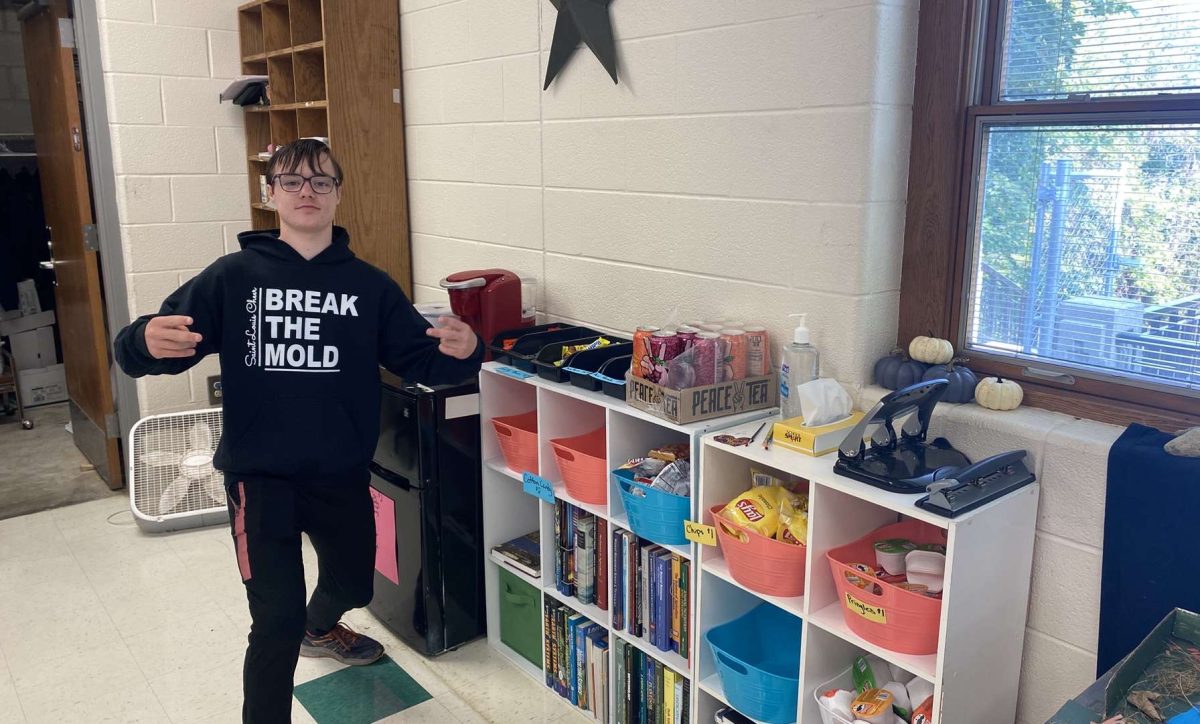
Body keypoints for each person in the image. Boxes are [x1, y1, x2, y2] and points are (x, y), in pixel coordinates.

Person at [113, 139, 482, 724]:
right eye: (291, 181)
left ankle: (321, 625)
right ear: (270, 195)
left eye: (320, 181)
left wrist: (468, 351)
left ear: (337, 195)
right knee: (274, 622)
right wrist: (140, 341)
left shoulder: (370, 285)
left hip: (339, 474)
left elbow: (425, 361)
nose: (306, 191)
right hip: (259, 480)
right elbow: (153, 347)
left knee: (356, 586)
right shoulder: (234, 276)